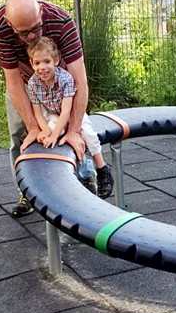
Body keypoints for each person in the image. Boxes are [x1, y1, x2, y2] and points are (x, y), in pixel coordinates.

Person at [0, 0, 93, 217]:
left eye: (36, 28)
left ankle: (83, 182)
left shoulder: (61, 21)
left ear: (41, 12)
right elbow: (13, 81)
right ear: (10, 24)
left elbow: (80, 80)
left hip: (59, 81)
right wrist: (33, 126)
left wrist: (73, 129)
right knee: (19, 135)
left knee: (72, 130)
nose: (31, 36)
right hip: (26, 81)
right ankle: (27, 192)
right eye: (23, 32)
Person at [26, 37, 113, 198]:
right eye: (37, 63)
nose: (42, 67)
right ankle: (62, 176)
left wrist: (55, 134)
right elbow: (37, 112)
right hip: (52, 113)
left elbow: (66, 112)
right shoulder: (32, 83)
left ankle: (102, 168)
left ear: (56, 60)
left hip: (71, 112)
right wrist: (46, 131)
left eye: (46, 61)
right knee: (50, 136)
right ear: (32, 64)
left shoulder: (65, 79)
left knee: (87, 133)